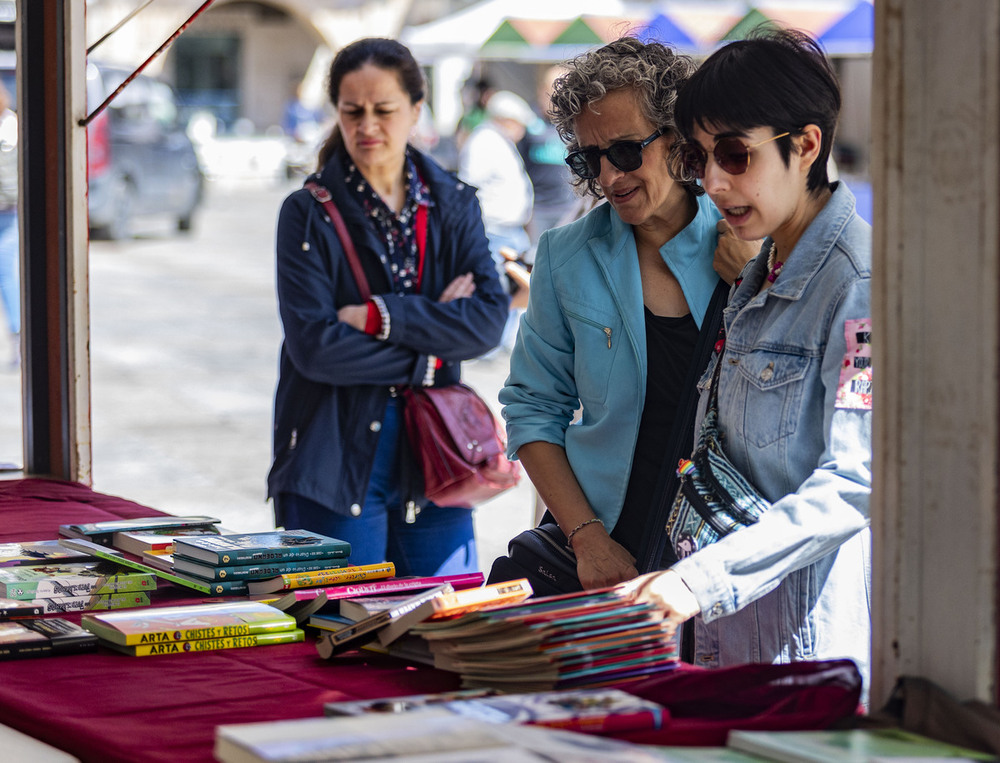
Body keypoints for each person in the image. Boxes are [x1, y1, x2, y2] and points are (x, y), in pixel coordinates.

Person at [626, 29, 873, 692]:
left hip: (803, 653)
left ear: (807, 144)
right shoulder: (758, 269)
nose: (712, 182)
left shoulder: (858, 284)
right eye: (699, 158)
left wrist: (698, 579)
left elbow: (853, 480)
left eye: (735, 155)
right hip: (725, 638)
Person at [499, 37, 756, 590]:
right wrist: (587, 538)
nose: (610, 177)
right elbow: (532, 408)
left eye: (625, 150)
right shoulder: (566, 255)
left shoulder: (750, 241)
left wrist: (754, 283)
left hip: (726, 549)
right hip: (607, 547)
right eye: (590, 159)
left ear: (679, 141)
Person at [267, 38, 509, 577]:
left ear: (416, 110)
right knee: (340, 635)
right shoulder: (306, 214)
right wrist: (431, 352)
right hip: (332, 457)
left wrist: (381, 318)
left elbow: (488, 321)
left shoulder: (454, 202)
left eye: (384, 110)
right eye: (352, 111)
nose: (367, 126)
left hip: (438, 459)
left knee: (444, 623)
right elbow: (316, 349)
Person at [0, 80, 18, 369]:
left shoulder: (11, 128)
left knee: (6, 273)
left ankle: (17, 341)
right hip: (9, 208)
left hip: (7, 211)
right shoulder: (13, 125)